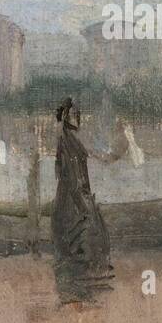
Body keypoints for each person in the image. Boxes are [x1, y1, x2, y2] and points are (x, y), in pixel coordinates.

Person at [51, 97, 115, 305]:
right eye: (73, 115)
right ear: (65, 117)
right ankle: (82, 284)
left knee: (83, 236)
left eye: (78, 114)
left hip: (77, 195)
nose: (77, 118)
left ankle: (81, 282)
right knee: (86, 234)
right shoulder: (67, 141)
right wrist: (82, 201)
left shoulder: (70, 139)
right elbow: (72, 175)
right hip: (74, 197)